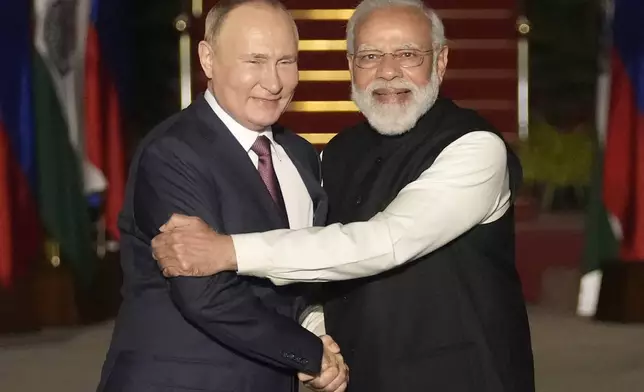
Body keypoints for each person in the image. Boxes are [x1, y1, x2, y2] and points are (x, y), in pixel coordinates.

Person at [153, 0, 535, 391]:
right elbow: (313, 262)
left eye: (407, 54)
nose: (388, 71)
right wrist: (316, 335)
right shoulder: (333, 154)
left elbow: (386, 241)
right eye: (370, 56)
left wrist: (228, 250)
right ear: (352, 66)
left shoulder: (476, 148)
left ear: (439, 61)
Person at [97, 1, 348, 391]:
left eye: (286, 61)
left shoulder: (300, 155)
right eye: (255, 61)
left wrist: (314, 325)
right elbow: (204, 293)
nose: (274, 81)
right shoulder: (173, 151)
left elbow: (298, 270)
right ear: (208, 59)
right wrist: (309, 353)